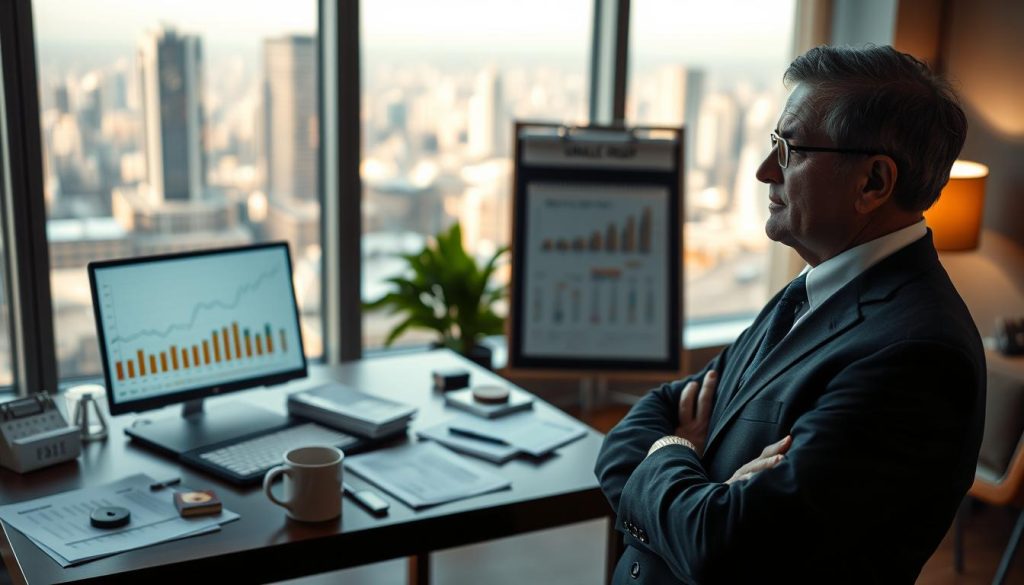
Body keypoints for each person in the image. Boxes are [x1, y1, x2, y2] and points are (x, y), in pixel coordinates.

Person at [595, 44, 986, 584]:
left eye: (789, 149)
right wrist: (703, 488)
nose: (761, 172)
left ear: (873, 182)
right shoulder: (810, 288)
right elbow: (631, 434)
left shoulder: (919, 356)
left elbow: (725, 549)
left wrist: (674, 449)